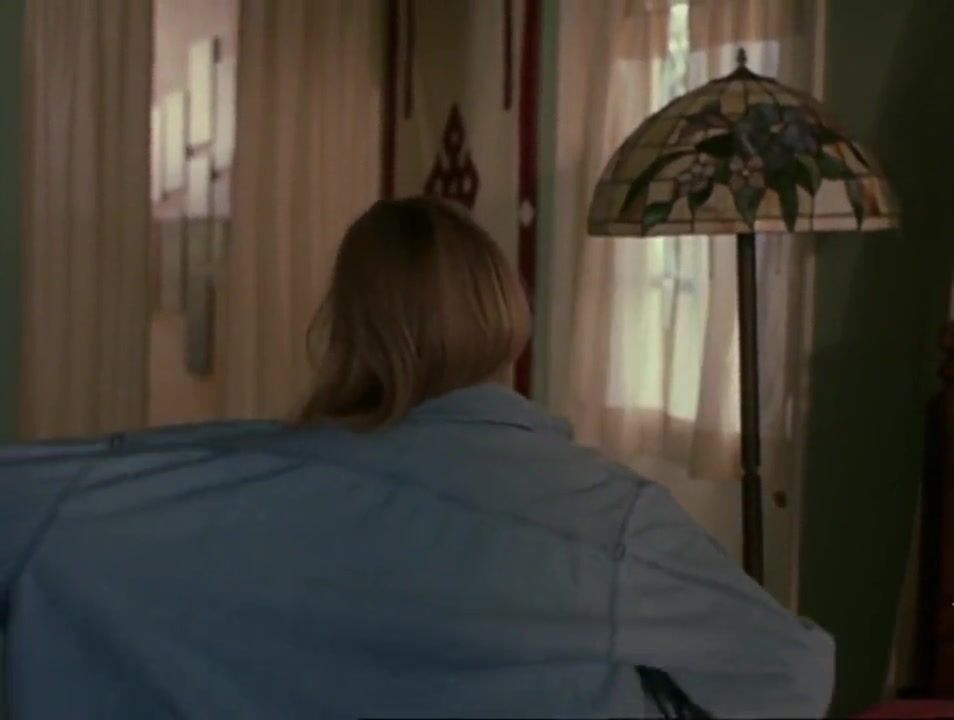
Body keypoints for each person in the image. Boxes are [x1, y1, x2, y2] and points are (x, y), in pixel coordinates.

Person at [0, 197, 833, 718]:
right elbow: (792, 676)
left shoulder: (225, 484)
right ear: (505, 314)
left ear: (346, 329)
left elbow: (44, 509)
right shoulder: (610, 520)